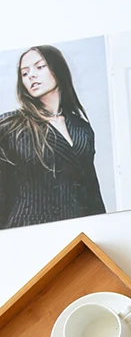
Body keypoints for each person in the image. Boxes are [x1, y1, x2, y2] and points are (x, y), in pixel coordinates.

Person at [0, 44, 106, 229]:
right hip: (25, 227)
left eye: (40, 67)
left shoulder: (81, 128)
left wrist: (103, 227)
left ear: (58, 69)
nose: (31, 75)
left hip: (74, 229)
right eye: (24, 73)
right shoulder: (10, 125)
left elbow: (91, 191)